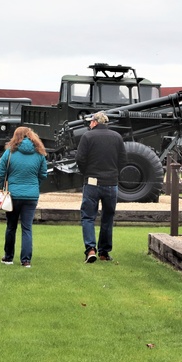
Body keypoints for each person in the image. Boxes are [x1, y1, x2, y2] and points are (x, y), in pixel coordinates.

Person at [75, 111, 127, 263]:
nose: (89, 124)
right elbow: (123, 159)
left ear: (95, 122)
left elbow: (80, 158)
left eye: (91, 121)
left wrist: (86, 173)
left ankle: (90, 249)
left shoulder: (87, 136)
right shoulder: (117, 137)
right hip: (111, 183)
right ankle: (104, 252)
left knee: (88, 217)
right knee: (108, 218)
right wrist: (114, 173)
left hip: (91, 182)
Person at [0, 126, 48, 268]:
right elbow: (43, 174)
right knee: (27, 228)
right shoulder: (39, 153)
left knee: (11, 226)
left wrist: (4, 186)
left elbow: (1, 172)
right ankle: (26, 260)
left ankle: (8, 257)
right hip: (31, 195)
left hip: (12, 194)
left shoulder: (10, 153)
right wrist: (34, 184)